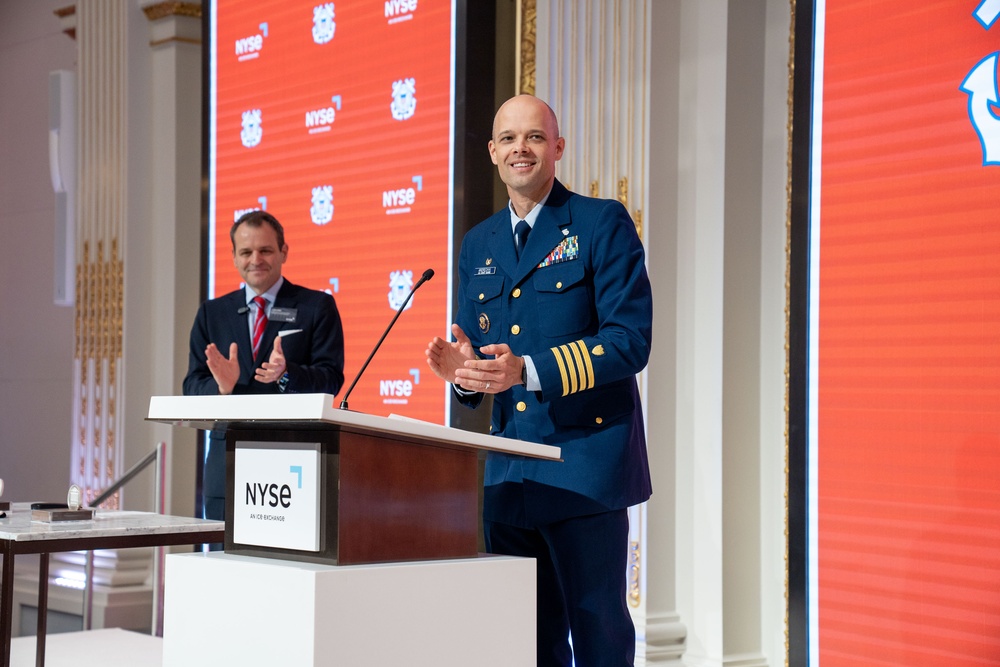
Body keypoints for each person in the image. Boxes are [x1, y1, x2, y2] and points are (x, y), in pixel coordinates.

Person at [425, 94, 653, 666]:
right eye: (508, 138)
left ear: (557, 148)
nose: (520, 149)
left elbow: (630, 341)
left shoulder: (601, 222)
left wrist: (526, 370)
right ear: (492, 153)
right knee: (526, 643)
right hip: (509, 479)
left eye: (533, 137)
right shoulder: (478, 243)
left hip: (584, 469)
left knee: (599, 638)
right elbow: (481, 354)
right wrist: (465, 376)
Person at [183, 210, 345, 521]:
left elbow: (331, 379)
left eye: (266, 250)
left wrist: (287, 375)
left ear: (284, 252)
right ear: (233, 256)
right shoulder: (211, 313)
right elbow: (191, 385)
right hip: (227, 464)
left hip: (294, 464)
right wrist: (221, 388)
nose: (255, 259)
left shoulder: (316, 307)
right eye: (245, 252)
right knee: (224, 564)